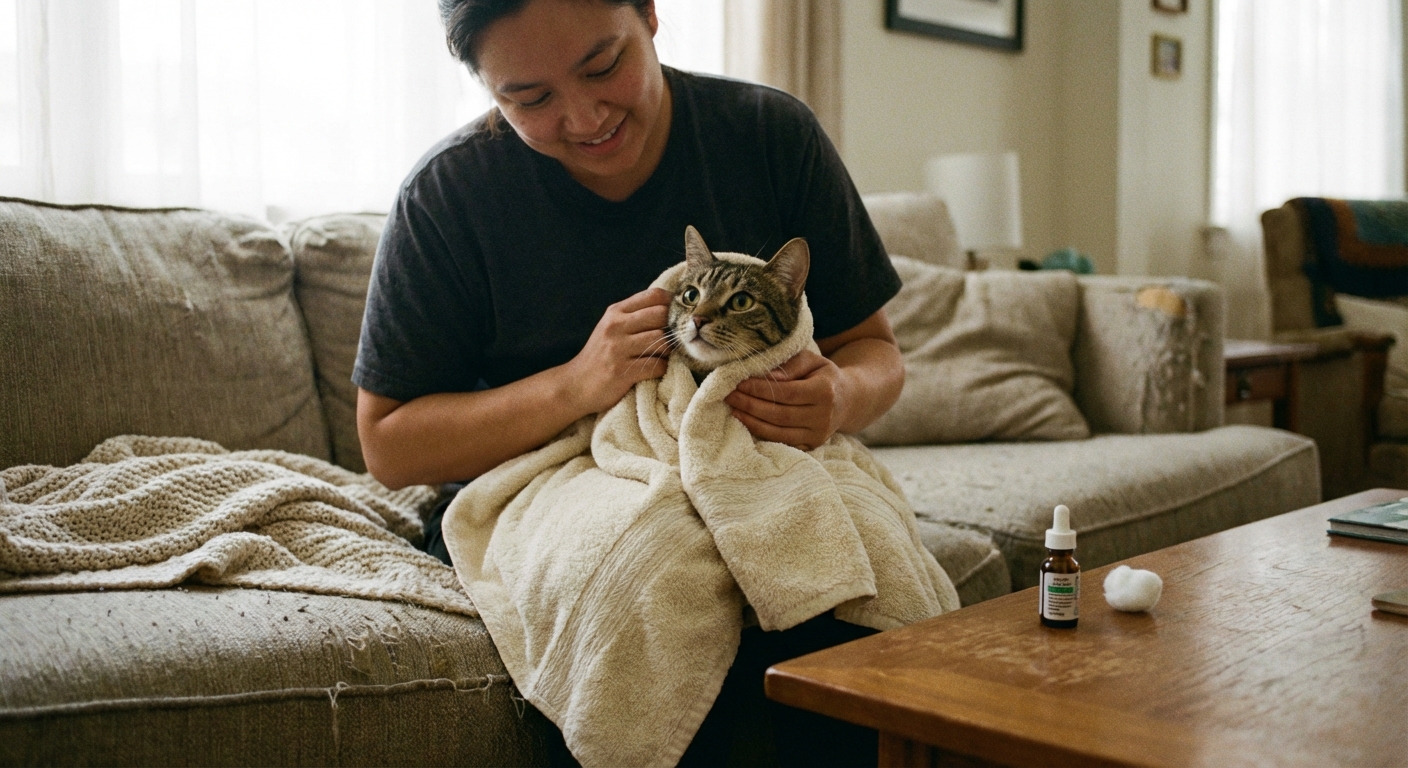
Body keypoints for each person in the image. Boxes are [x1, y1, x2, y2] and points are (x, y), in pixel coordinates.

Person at [353, 0, 903, 764]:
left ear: (648, 13)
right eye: (530, 99)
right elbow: (388, 446)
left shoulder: (768, 135)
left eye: (602, 65)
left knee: (850, 568)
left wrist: (838, 396)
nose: (584, 117)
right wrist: (576, 385)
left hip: (757, 457)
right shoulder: (447, 199)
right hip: (546, 483)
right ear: (486, 90)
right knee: (657, 577)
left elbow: (873, 349)